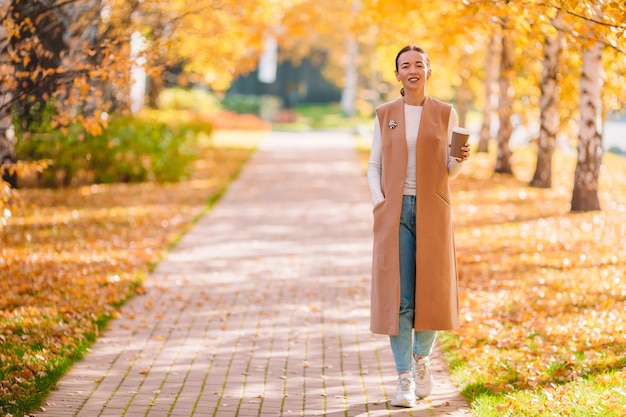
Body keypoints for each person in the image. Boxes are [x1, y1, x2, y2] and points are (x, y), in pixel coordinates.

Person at [367, 45, 470, 408]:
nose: (412, 70)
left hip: (432, 211)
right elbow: (374, 165)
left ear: (429, 71)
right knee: (401, 298)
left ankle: (421, 360)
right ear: (397, 75)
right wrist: (379, 201)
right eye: (404, 65)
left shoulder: (445, 112)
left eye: (418, 65)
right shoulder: (385, 114)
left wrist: (457, 159)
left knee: (429, 293)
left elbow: (449, 170)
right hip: (394, 213)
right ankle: (403, 380)